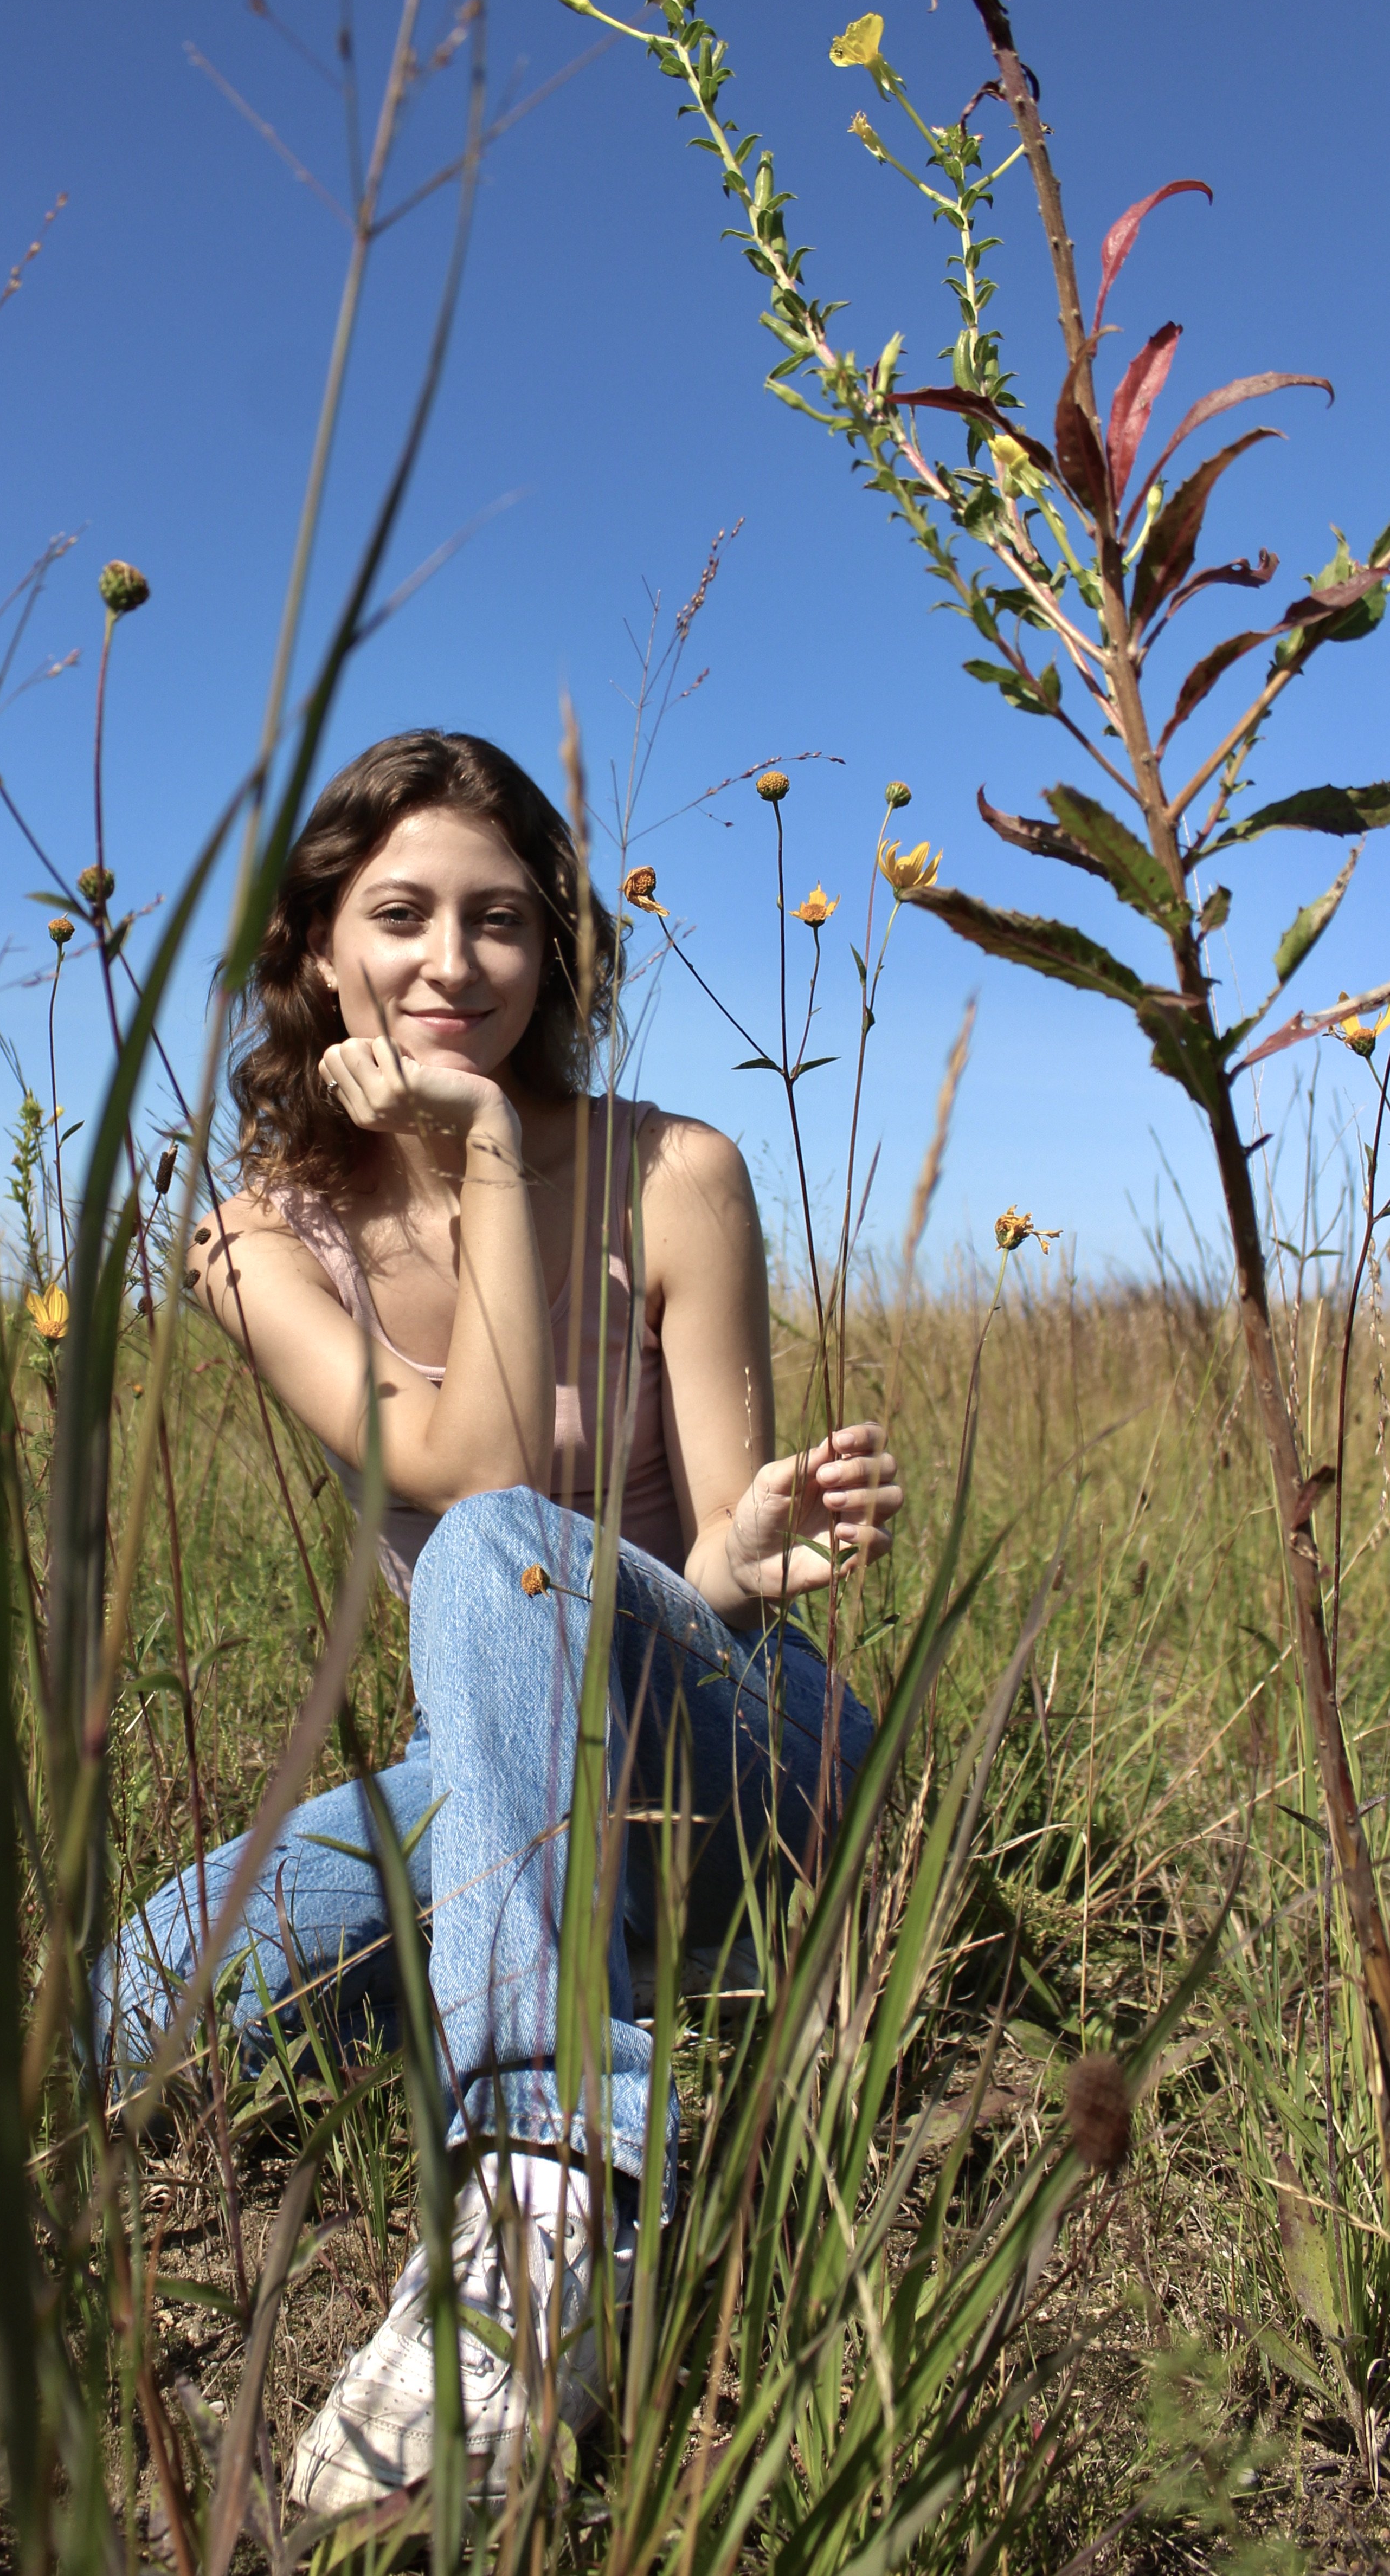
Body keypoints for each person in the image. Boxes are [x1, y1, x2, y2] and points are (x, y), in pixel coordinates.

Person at [104, 730, 900, 2515]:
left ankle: (556, 2198)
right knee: (140, 2003)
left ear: (554, 953)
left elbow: (607, 1543)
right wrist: (464, 1156)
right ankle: (618, 1954)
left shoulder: (672, 1167)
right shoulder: (254, 1238)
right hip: (509, 1762)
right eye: (402, 914)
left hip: (743, 1737)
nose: (453, 962)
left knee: (495, 1561)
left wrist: (750, 1551)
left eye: (502, 921)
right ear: (319, 949)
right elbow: (467, 1451)